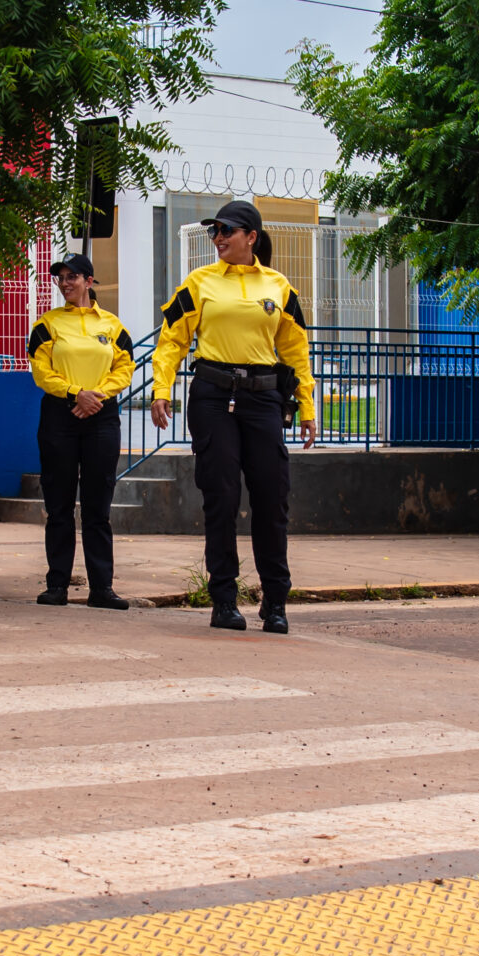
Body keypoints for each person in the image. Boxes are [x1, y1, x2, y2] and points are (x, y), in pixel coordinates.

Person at [149, 198, 316, 634]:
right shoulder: (199, 282)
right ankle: (224, 600)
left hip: (263, 400)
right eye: (214, 232)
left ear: (251, 237)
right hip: (213, 397)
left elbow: (297, 349)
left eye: (226, 230)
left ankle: (275, 601)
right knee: (221, 498)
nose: (218, 238)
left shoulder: (279, 286)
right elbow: (171, 341)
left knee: (271, 499)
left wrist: (308, 405)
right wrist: (161, 390)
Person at [28, 252, 135, 610]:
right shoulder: (47, 324)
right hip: (60, 415)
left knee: (97, 507)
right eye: (60, 278)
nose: (65, 283)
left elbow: (125, 368)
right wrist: (76, 394)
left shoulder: (113, 326)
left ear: (89, 281)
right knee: (58, 505)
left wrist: (97, 397)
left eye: (72, 276)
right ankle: (57, 585)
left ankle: (101, 589)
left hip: (101, 418)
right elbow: (41, 372)